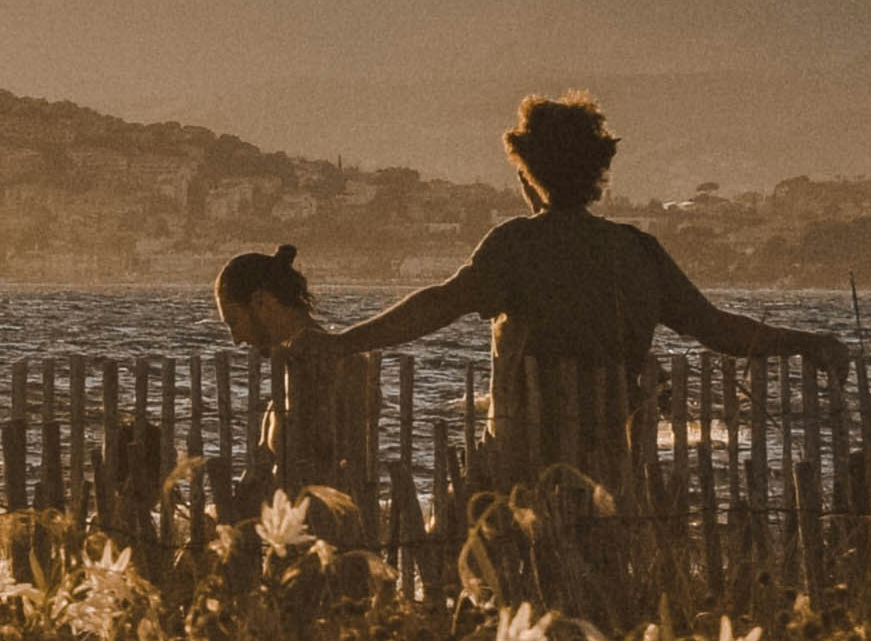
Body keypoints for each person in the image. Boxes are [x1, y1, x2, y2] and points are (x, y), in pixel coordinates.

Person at [332, 93, 843, 473]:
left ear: (528, 170)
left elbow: (437, 305)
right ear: (600, 171)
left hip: (521, 467)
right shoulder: (636, 251)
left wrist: (341, 342)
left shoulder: (515, 246)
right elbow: (718, 331)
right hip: (612, 468)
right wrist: (807, 341)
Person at [212, 242, 380, 504]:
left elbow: (345, 469)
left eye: (234, 321)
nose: (236, 339)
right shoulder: (287, 375)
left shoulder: (344, 368)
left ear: (262, 302)